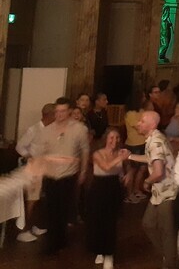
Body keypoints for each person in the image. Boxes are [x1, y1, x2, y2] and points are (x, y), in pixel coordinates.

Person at [33, 96, 90, 255]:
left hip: (68, 175)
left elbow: (85, 150)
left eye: (63, 111)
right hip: (51, 175)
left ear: (69, 111)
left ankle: (60, 238)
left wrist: (83, 171)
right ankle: (52, 241)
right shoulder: (47, 130)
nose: (59, 114)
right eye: (57, 111)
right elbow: (40, 153)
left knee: (64, 208)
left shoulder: (79, 129)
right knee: (50, 208)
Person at [130, 110, 179, 269]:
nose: (138, 124)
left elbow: (158, 172)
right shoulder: (155, 138)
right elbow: (152, 158)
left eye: (142, 121)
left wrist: (146, 181)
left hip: (168, 192)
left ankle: (170, 263)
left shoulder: (155, 142)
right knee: (148, 224)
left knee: (166, 231)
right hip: (160, 192)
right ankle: (169, 256)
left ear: (152, 125)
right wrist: (129, 156)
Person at [87, 128, 130, 269]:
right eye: (111, 137)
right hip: (99, 188)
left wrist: (128, 174)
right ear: (106, 138)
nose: (114, 141)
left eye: (117, 138)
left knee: (111, 222)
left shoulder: (121, 153)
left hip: (114, 188)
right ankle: (100, 250)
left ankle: (109, 253)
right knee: (98, 221)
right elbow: (105, 167)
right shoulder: (97, 153)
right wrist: (121, 158)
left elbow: (128, 167)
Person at [14, 103, 54, 243]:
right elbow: (19, 146)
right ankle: (23, 230)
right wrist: (29, 156)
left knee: (39, 199)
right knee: (31, 198)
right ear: (48, 115)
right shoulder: (33, 130)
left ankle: (33, 226)